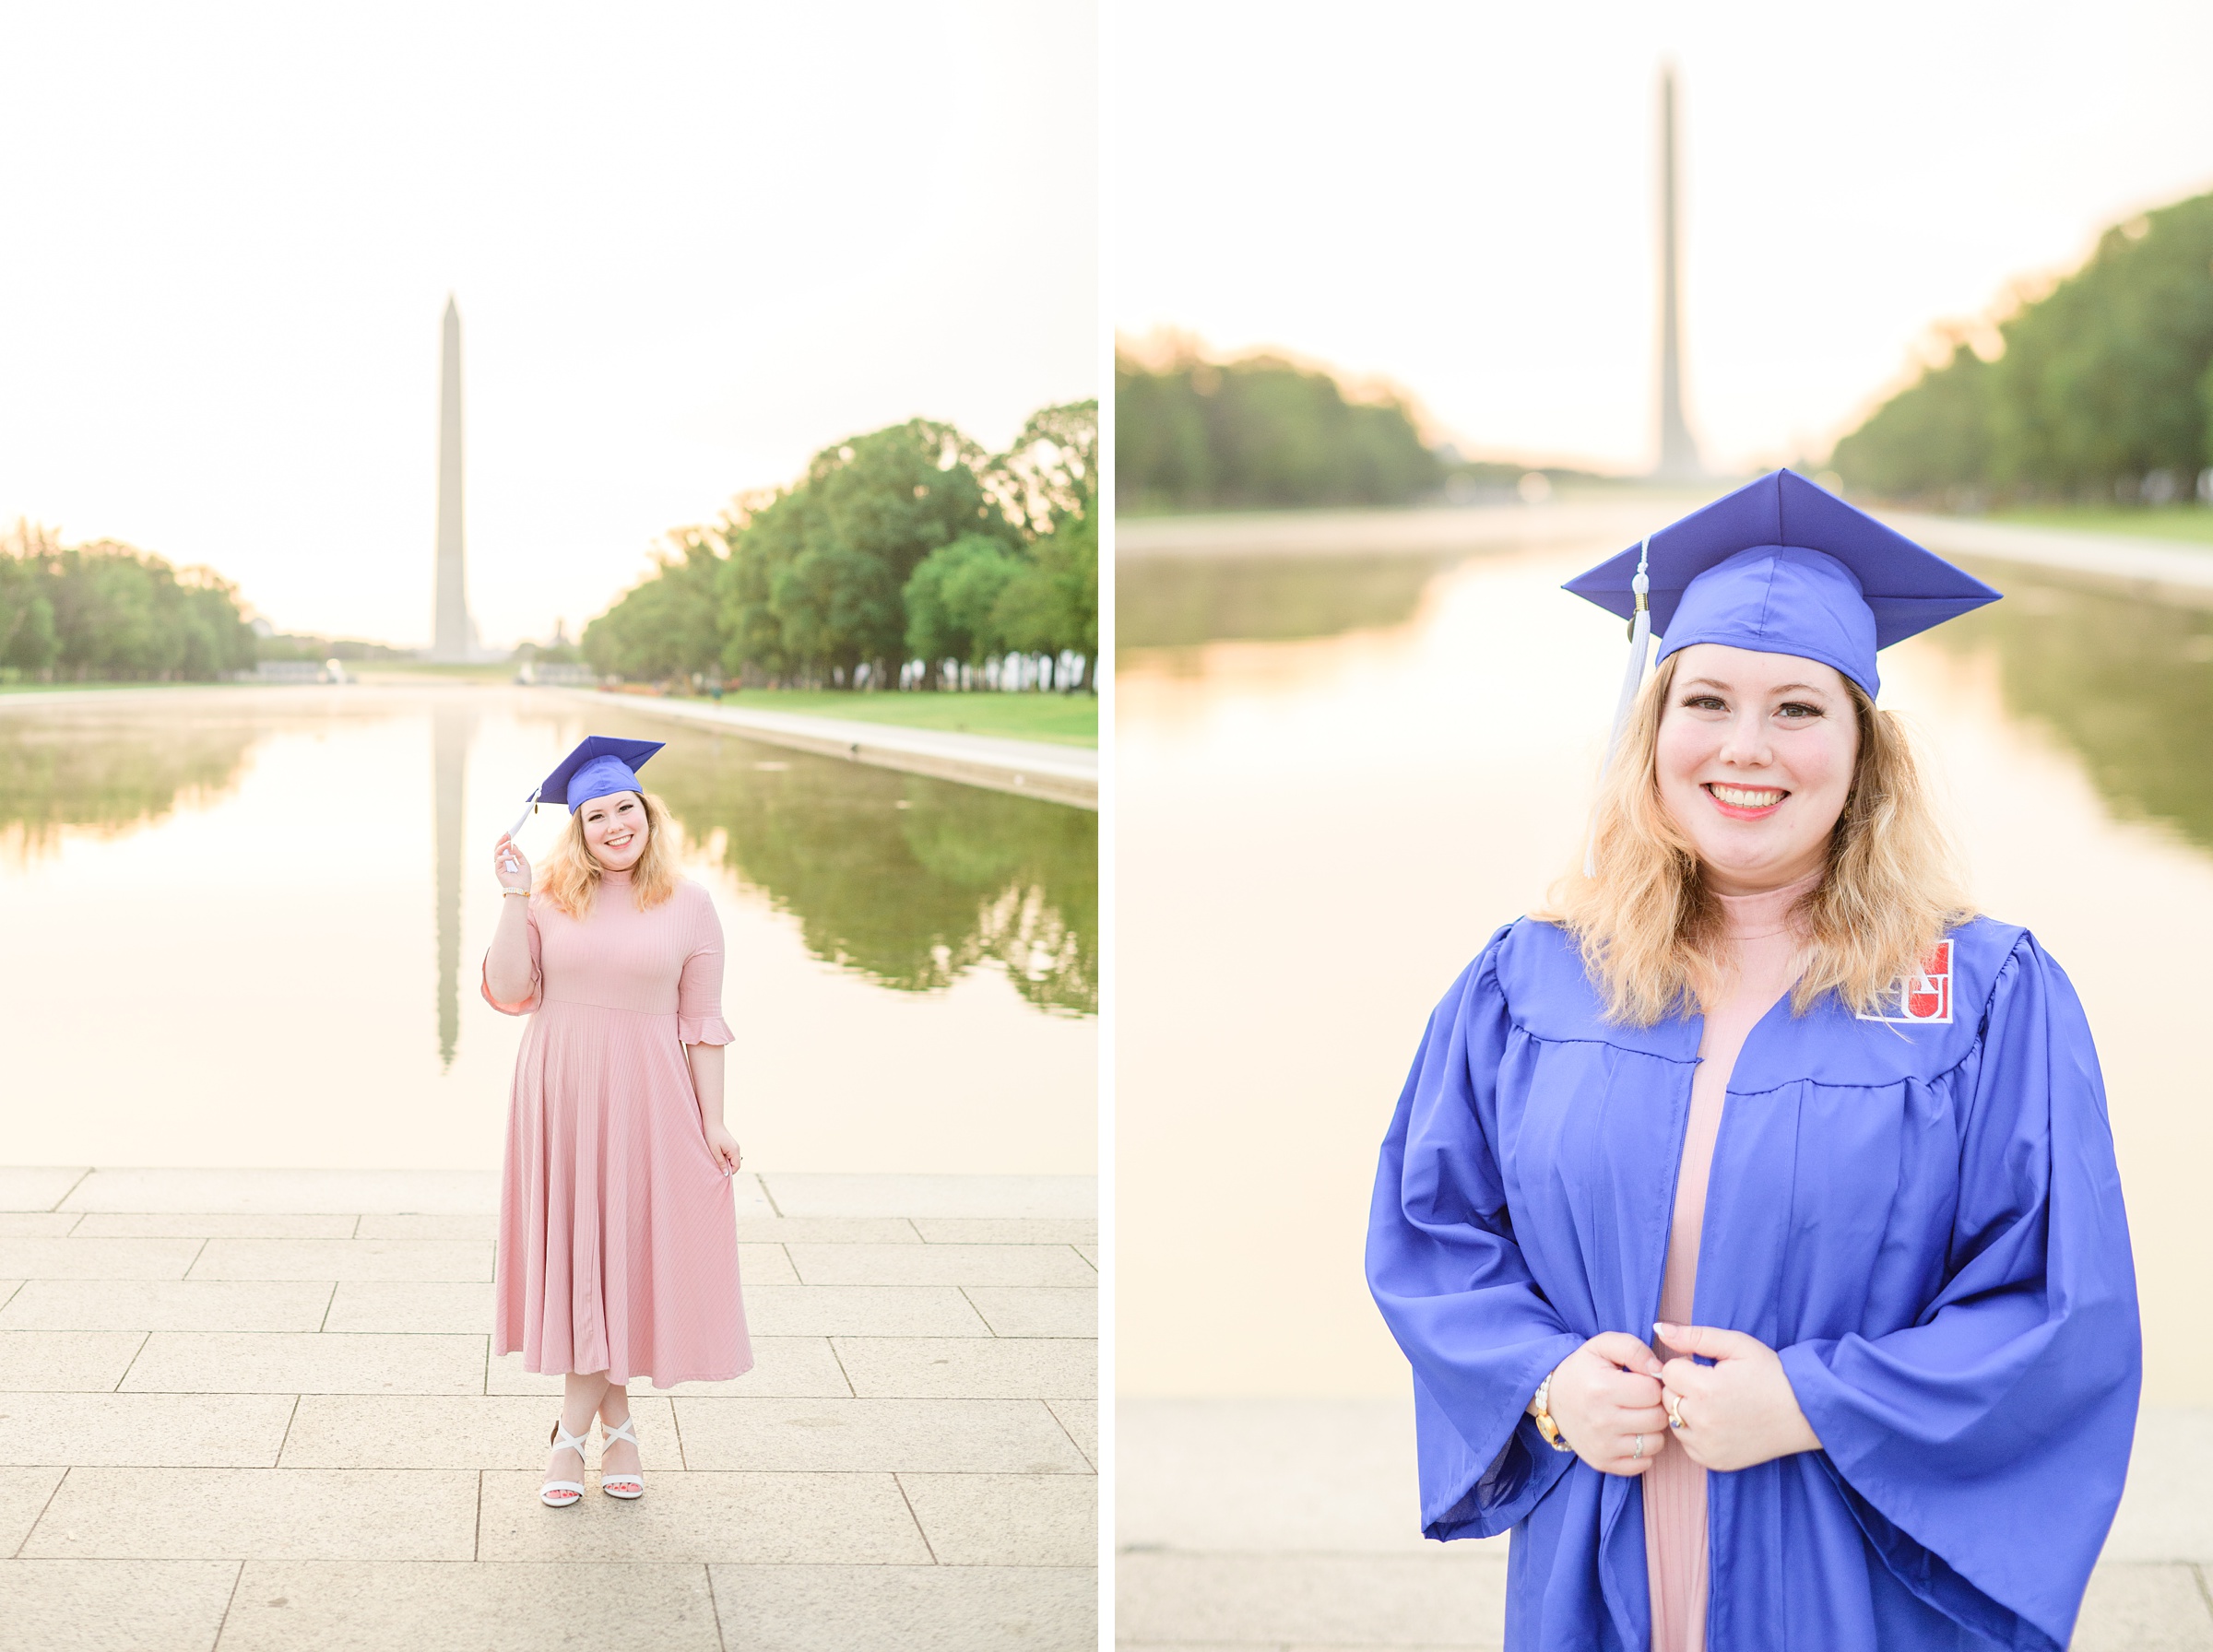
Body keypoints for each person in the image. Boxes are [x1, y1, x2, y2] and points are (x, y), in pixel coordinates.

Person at [1365, 471, 2139, 1651]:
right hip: (1599, 1545)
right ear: (1654, 728)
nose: (1744, 748)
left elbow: (2056, 1299)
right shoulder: (1533, 977)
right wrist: (1547, 1383)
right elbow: (1433, 1227)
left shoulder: (1982, 995)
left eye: (1798, 710)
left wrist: (1814, 1401)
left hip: (1844, 1562)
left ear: (1865, 750)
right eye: (1708, 700)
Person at [483, 734, 752, 1507]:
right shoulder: (545, 897)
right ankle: (618, 1426)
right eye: (595, 815)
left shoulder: (691, 903)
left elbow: (702, 1021)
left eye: (624, 808)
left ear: (648, 814)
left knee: (623, 1261)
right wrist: (510, 894)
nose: (613, 825)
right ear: (579, 828)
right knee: (580, 1260)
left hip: (651, 1098)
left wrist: (715, 1123)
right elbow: (510, 992)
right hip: (560, 1094)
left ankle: (573, 1436)